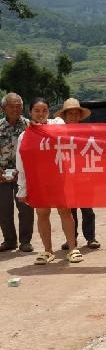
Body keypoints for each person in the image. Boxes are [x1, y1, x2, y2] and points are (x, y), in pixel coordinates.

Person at [15, 99, 83, 264]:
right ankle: (48, 251)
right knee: (42, 214)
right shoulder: (25, 135)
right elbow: (21, 164)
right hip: (38, 181)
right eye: (37, 110)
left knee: (65, 212)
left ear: (48, 112)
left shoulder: (56, 125)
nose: (41, 114)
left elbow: (61, 125)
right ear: (30, 112)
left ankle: (72, 248)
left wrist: (41, 128)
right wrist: (22, 188)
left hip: (59, 179)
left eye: (44, 110)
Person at [56, 99, 100, 251]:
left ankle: (91, 238)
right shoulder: (57, 132)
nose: (74, 116)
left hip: (85, 176)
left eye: (76, 113)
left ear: (80, 115)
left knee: (87, 209)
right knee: (70, 210)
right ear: (65, 116)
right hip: (65, 177)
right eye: (70, 113)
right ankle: (71, 239)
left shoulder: (88, 131)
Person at [0, 93, 33, 253]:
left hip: (23, 174)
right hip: (1, 175)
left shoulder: (30, 126)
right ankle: (9, 241)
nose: (15, 109)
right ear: (3, 108)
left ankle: (25, 241)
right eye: (11, 106)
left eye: (18, 106)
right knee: (3, 209)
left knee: (26, 208)